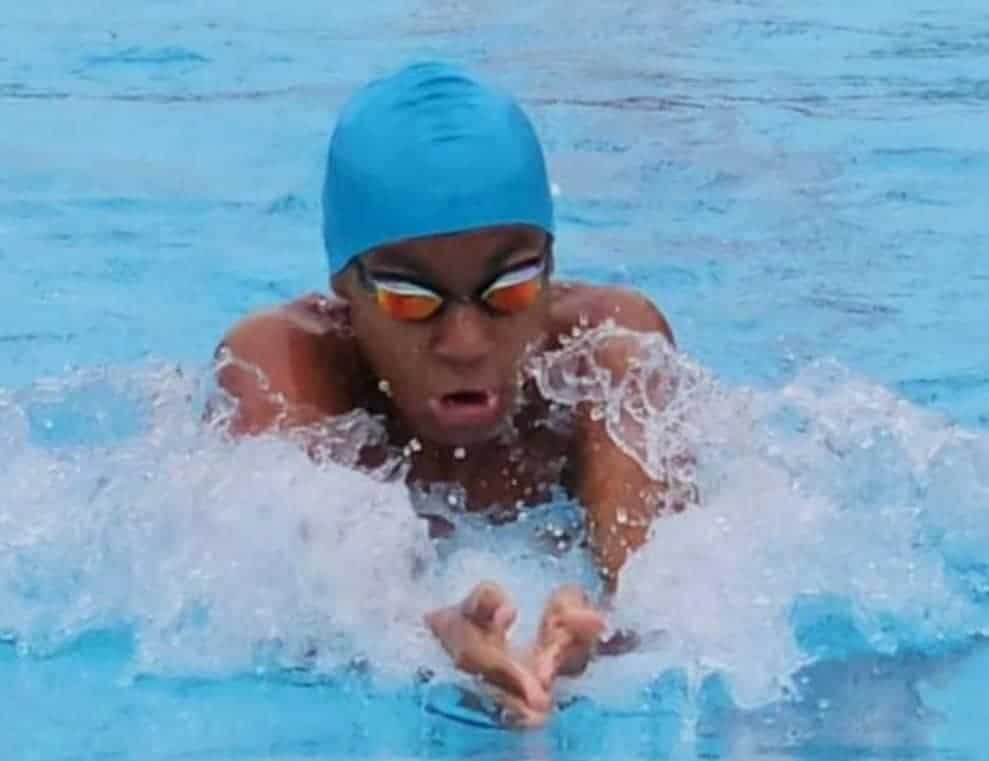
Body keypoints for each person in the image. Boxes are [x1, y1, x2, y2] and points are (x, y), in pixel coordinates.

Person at [212, 61, 690, 727]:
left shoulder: (608, 353)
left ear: (551, 266)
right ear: (345, 291)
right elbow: (303, 611)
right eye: (411, 299)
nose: (465, 342)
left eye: (510, 289)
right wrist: (427, 644)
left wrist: (602, 645)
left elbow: (669, 591)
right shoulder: (281, 368)